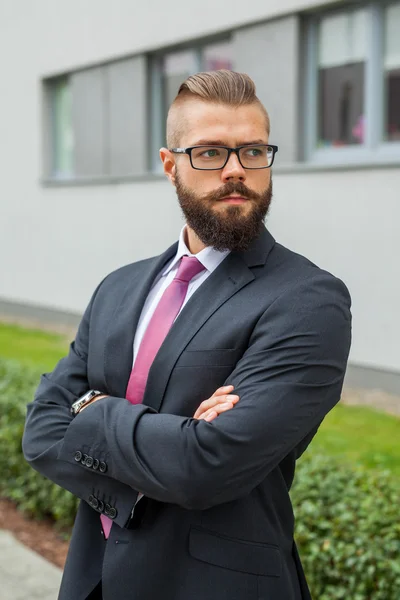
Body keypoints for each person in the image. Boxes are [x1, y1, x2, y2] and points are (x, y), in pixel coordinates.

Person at [22, 70, 352, 600]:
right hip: (93, 580)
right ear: (170, 164)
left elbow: (205, 466)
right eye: (210, 153)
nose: (236, 171)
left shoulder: (308, 301)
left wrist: (90, 410)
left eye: (253, 151)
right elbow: (40, 432)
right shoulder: (119, 287)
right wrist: (173, 435)